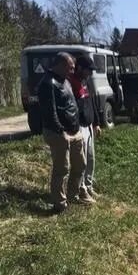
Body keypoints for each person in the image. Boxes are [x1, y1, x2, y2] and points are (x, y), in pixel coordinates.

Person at [38, 52, 94, 212]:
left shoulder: (66, 81)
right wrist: (60, 131)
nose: (72, 71)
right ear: (60, 65)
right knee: (62, 169)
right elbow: (50, 112)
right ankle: (59, 203)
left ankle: (73, 194)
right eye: (70, 68)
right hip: (58, 133)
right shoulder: (48, 84)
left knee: (80, 165)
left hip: (74, 131)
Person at [69, 55, 100, 200]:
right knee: (82, 161)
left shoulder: (85, 82)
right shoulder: (71, 84)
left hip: (89, 126)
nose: (90, 73)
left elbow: (91, 103)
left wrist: (96, 123)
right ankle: (80, 191)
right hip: (79, 127)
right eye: (88, 70)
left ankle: (88, 186)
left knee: (91, 158)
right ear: (80, 68)